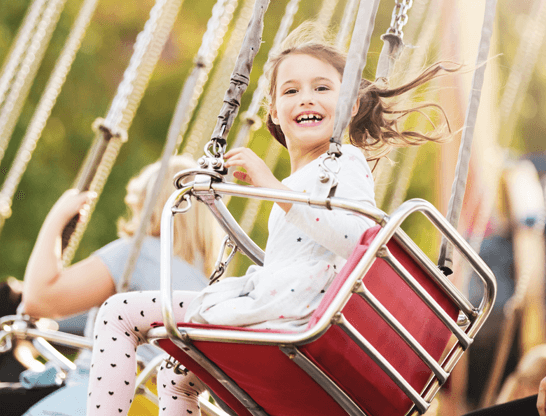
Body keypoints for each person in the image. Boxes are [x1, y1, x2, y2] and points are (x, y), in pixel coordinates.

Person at [86, 23, 455, 416]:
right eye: (291, 91)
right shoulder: (301, 180)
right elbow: (295, 255)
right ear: (274, 112)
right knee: (178, 373)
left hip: (296, 316)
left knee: (118, 312)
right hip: (283, 306)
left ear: (350, 105)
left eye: (322, 88)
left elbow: (361, 238)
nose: (306, 98)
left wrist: (273, 188)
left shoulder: (345, 161)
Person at [20, 155, 220, 416]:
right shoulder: (208, 286)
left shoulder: (138, 254)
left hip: (97, 399)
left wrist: (56, 218)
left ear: (150, 205)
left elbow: (39, 300)